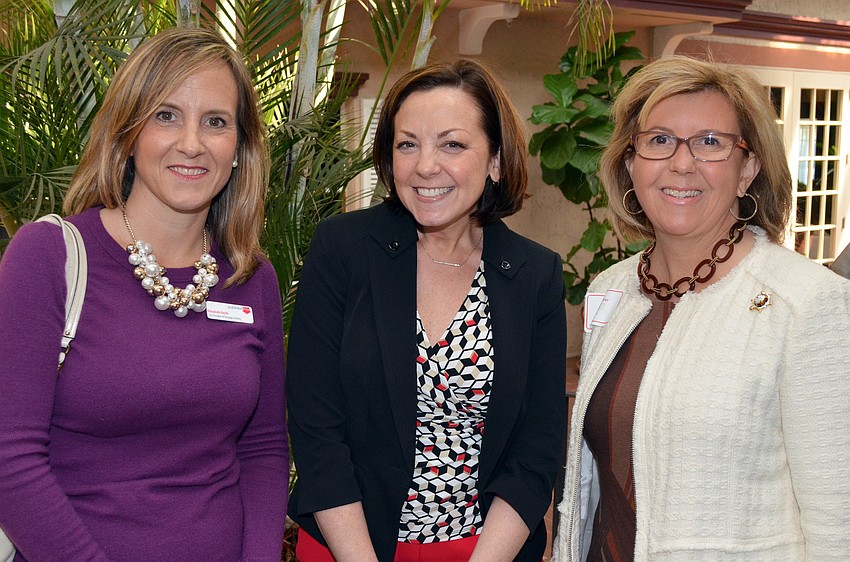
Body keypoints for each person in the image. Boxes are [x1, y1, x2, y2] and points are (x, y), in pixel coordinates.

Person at [0, 27, 288, 561]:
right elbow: (10, 459)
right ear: (129, 130)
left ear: (240, 147)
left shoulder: (252, 277)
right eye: (166, 114)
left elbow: (264, 448)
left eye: (216, 122)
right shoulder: (48, 257)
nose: (192, 143)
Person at [552, 56, 850, 562]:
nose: (681, 163)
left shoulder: (809, 304)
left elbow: (838, 521)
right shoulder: (611, 289)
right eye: (659, 140)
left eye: (710, 142)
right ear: (631, 163)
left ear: (747, 169)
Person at [286, 59, 567, 562]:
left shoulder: (535, 274)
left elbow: (537, 451)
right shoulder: (343, 250)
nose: (425, 166)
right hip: (349, 546)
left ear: (496, 160)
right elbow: (315, 430)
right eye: (407, 143)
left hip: (485, 550)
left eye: (452, 144)